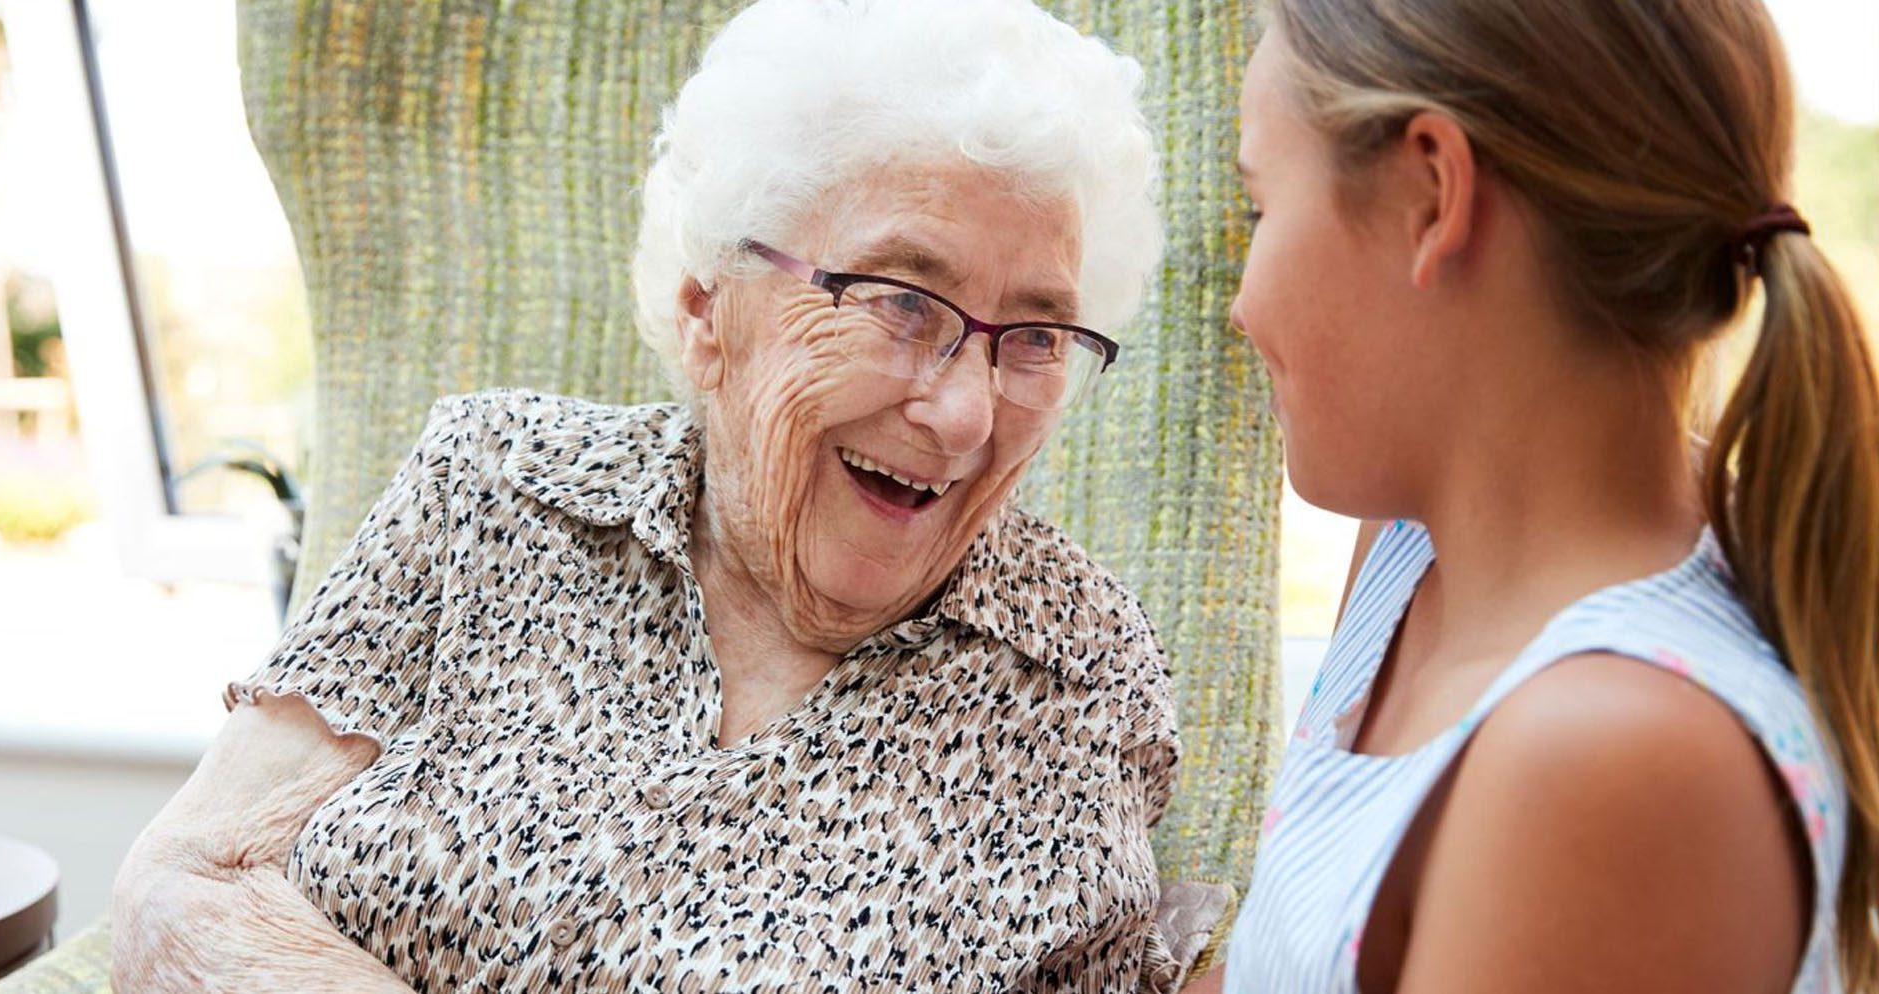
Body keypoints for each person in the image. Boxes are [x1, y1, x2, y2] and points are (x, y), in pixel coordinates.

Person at [109, 0, 1231, 990]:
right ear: (708, 311)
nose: (965, 414)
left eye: (1029, 337)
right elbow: (187, 882)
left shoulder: (1072, 669)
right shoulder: (488, 484)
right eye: (898, 301)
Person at [1220, 0, 1877, 991]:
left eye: (1262, 208)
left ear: (1430, 195)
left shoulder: (1611, 758)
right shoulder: (1410, 552)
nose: (1238, 302)